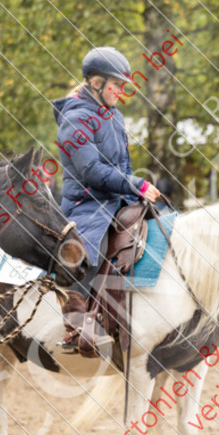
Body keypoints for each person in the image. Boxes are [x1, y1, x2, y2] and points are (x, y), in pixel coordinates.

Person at [55, 46, 161, 354]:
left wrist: (136, 192)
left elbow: (122, 167)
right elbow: (92, 172)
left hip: (116, 198)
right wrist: (137, 184)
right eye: (116, 84)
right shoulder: (75, 119)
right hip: (86, 204)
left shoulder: (114, 116)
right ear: (96, 83)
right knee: (91, 248)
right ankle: (76, 324)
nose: (121, 91)